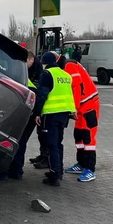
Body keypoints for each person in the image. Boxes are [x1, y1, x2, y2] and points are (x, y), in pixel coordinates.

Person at [32, 51, 76, 186]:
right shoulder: (66, 75)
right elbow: (69, 94)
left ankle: (54, 175)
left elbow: (42, 95)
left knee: (51, 145)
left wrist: (37, 113)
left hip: (51, 114)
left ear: (44, 63)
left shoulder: (47, 74)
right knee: (58, 143)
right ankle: (59, 171)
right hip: (64, 115)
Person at [0, 46, 40, 180]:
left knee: (9, 144)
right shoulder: (30, 79)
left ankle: (4, 171)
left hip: (17, 117)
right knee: (20, 144)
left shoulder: (15, 78)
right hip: (29, 117)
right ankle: (16, 172)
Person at [63, 47, 100, 182]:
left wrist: (74, 107)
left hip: (89, 105)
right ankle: (81, 164)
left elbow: (77, 87)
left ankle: (90, 169)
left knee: (88, 136)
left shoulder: (70, 66)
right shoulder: (71, 64)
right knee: (78, 134)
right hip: (83, 105)